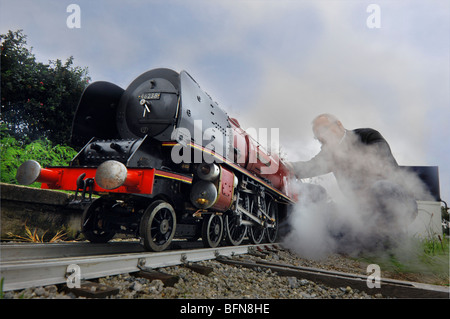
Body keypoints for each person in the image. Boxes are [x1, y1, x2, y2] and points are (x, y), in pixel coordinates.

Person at [289, 113, 418, 252]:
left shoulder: (368, 136)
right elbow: (310, 166)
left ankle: (395, 239)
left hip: (398, 200)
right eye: (317, 135)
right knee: (333, 225)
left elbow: (381, 162)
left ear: (339, 125)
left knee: (381, 187)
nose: (321, 137)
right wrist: (287, 166)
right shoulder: (330, 154)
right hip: (364, 212)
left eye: (324, 129)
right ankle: (373, 243)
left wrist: (342, 155)